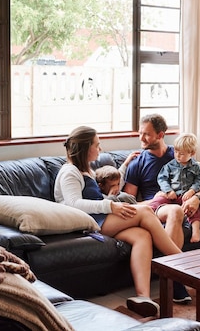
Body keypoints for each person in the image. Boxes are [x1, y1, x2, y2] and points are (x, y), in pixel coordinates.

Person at [54, 126, 183, 318]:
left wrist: (111, 203)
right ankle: (183, 263)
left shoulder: (86, 169)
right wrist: (111, 207)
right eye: (97, 145)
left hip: (100, 220)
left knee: (143, 236)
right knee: (146, 211)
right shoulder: (69, 172)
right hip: (87, 224)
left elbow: (112, 185)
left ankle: (143, 297)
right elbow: (74, 203)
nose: (100, 148)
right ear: (85, 148)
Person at [123, 113, 200, 303]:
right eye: (140, 133)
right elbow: (128, 203)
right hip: (160, 207)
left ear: (160, 135)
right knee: (174, 211)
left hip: (187, 202)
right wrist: (157, 197)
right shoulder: (137, 163)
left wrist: (197, 199)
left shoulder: (179, 152)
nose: (141, 138)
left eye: (146, 134)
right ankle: (176, 279)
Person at [153, 133, 200, 243]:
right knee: (158, 199)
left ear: (192, 153)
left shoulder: (196, 167)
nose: (177, 156)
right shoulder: (170, 165)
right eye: (175, 152)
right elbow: (162, 179)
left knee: (192, 208)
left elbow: (199, 181)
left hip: (186, 195)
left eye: (181, 154)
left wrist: (192, 191)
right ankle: (150, 214)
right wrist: (168, 191)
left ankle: (196, 230)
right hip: (172, 194)